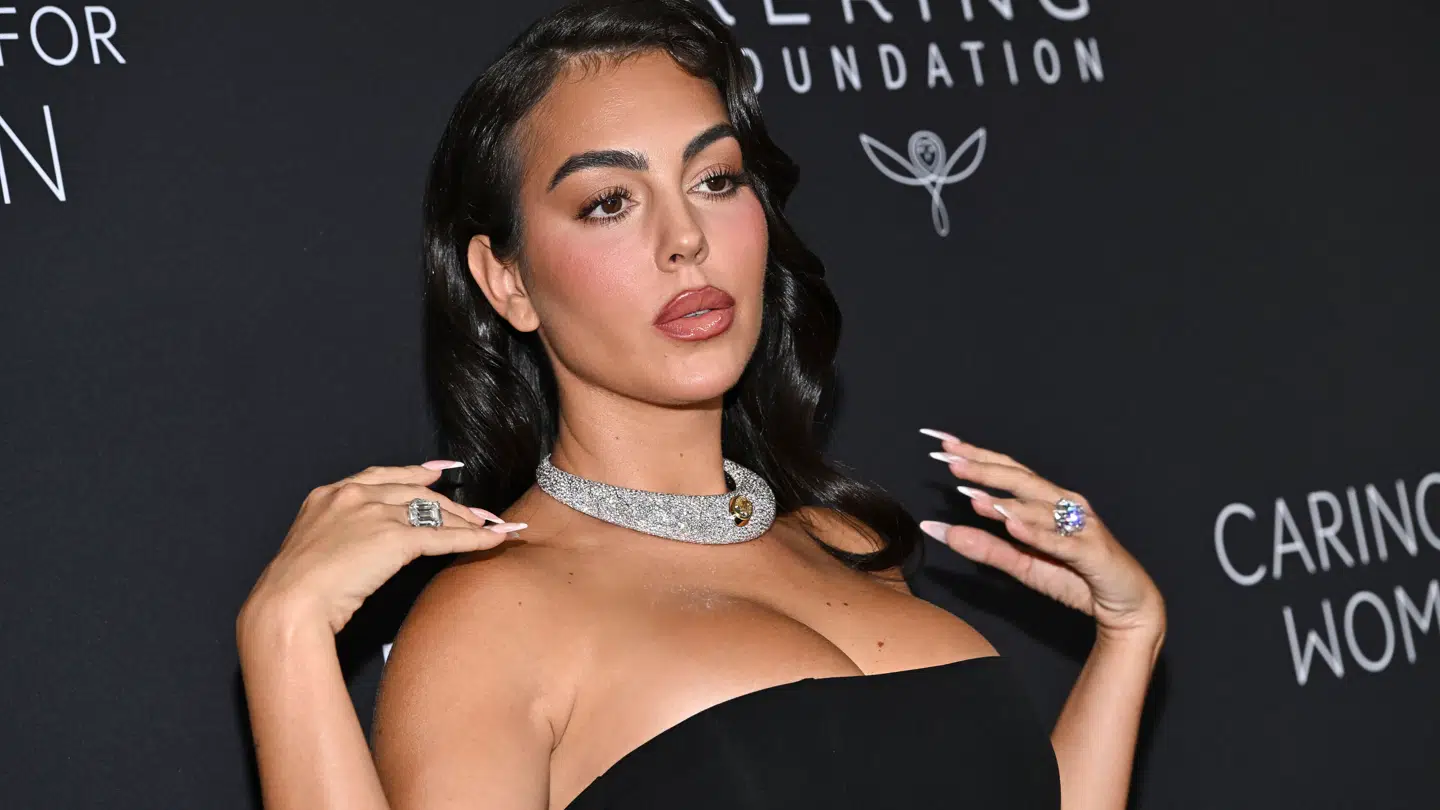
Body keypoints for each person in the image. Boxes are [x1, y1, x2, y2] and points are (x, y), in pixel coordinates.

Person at [234, 1, 1166, 808]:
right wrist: (283, 636)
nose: (686, 239)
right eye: (608, 202)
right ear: (506, 279)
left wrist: (1128, 637)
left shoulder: (846, 547)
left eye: (715, 180)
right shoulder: (490, 622)